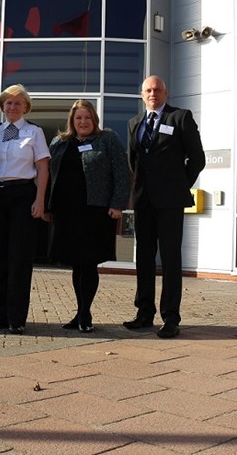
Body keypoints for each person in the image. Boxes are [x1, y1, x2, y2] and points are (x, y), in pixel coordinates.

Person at [126, 75, 205, 338]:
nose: (152, 93)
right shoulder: (134, 123)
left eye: (157, 89)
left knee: (170, 259)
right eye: (148, 90)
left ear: (166, 92)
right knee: (144, 258)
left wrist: (179, 185)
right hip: (143, 201)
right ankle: (144, 313)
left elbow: (197, 158)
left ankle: (171, 317)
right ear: (141, 94)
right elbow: (133, 162)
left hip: (170, 202)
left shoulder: (180, 118)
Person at [44, 100, 130, 333]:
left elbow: (122, 172)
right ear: (72, 121)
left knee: (88, 263)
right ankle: (81, 312)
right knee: (76, 264)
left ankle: (85, 314)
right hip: (66, 212)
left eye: (87, 118)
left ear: (95, 120)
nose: (83, 122)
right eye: (78, 118)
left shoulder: (107, 139)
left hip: (96, 211)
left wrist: (118, 204)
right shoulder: (59, 142)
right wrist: (47, 206)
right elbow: (48, 176)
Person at [0, 85, 49, 335]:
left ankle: (17, 317)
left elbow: (43, 169)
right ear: (2, 106)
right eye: (8, 103)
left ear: (25, 107)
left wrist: (40, 200)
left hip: (22, 196)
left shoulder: (34, 132)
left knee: (19, 258)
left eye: (17, 103)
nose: (12, 107)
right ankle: (0, 314)